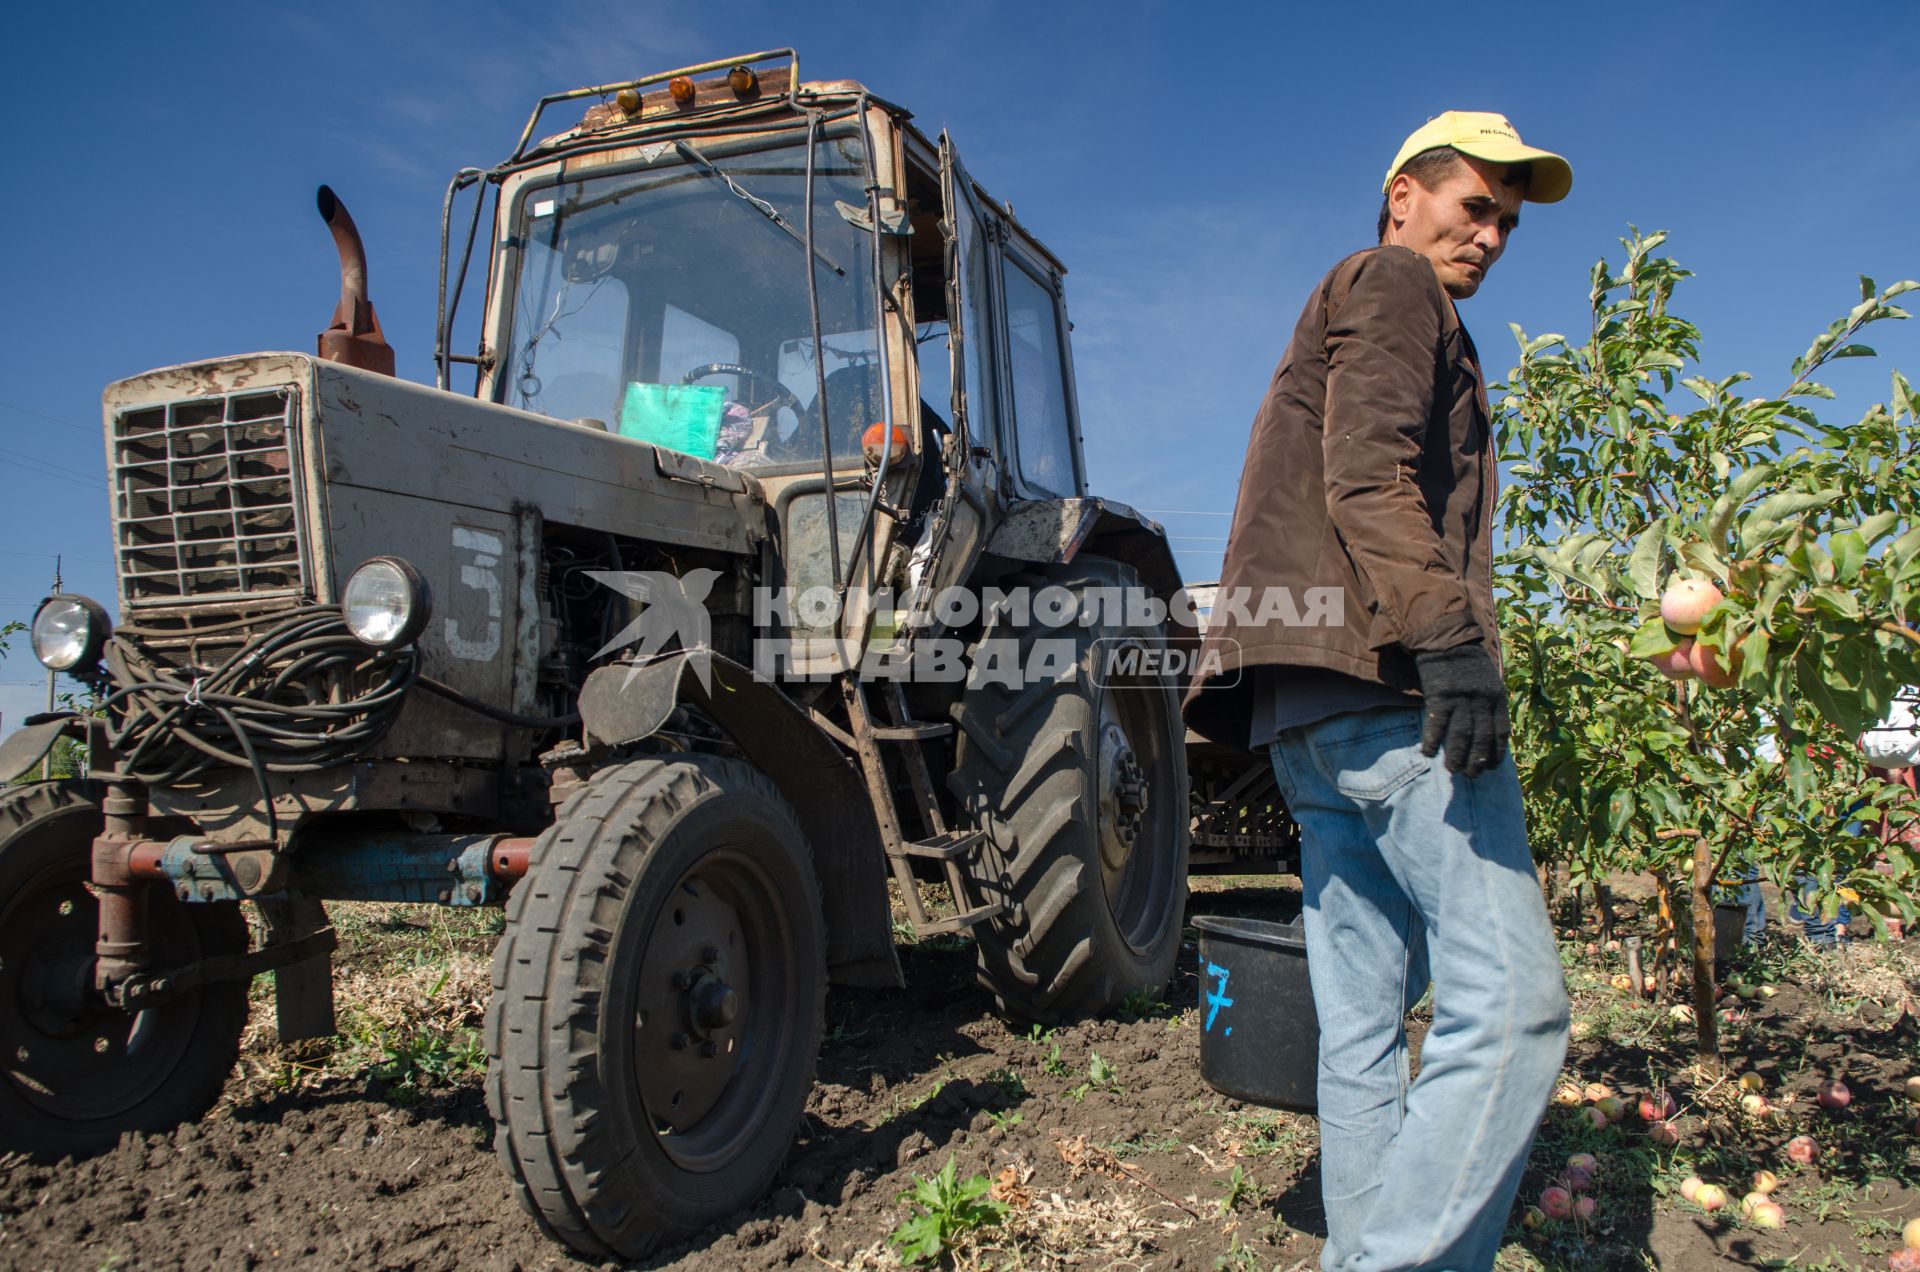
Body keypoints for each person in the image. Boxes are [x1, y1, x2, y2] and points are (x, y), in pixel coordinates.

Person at [1184, 112, 1573, 1272]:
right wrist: (1451, 641)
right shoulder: (1397, 282)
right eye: (1477, 204)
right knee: (1512, 1012)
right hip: (1390, 701)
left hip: (1307, 725)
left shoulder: (1349, 299)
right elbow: (1369, 477)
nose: (1495, 234)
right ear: (1406, 192)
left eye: (1509, 219)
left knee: (1360, 1031)